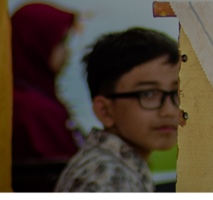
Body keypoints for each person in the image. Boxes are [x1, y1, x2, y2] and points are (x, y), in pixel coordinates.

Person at [55, 27, 181, 192]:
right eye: (147, 94)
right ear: (105, 111)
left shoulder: (114, 166)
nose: (169, 111)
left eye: (178, 93)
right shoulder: (109, 179)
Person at [11, 2, 83, 166]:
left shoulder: (29, 95)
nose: (67, 51)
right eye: (61, 42)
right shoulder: (34, 108)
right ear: (35, 44)